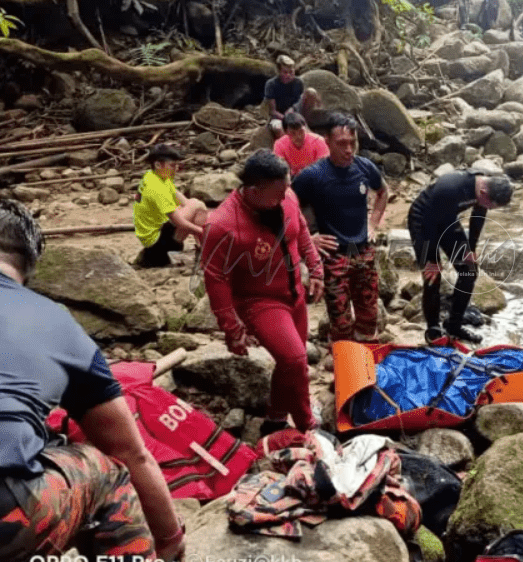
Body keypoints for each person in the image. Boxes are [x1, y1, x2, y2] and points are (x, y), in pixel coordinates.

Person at [0, 199, 185, 562]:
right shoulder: (52, 320)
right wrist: (169, 536)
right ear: (29, 268)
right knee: (109, 473)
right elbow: (130, 453)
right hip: (6, 510)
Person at [201, 150, 324, 435]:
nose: (285, 198)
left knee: (289, 363)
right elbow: (215, 278)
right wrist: (232, 328)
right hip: (259, 300)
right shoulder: (222, 225)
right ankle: (308, 426)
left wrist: (315, 267)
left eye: (287, 189)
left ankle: (276, 419)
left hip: (294, 293)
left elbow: (301, 229)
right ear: (253, 191)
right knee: (295, 359)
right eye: (278, 194)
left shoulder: (285, 194)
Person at [292, 112, 388, 342]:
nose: (348, 150)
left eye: (352, 143)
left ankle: (365, 369)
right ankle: (345, 370)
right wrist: (309, 238)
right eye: (341, 144)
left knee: (369, 316)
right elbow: (287, 207)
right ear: (327, 141)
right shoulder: (312, 175)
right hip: (333, 255)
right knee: (341, 321)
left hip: (363, 251)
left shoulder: (365, 167)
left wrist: (372, 224)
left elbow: (383, 192)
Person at [407, 171, 513, 344]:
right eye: (492, 206)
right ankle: (433, 329)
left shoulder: (483, 190)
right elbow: (429, 223)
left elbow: (478, 216)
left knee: (469, 270)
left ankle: (454, 325)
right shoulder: (450, 187)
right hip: (423, 220)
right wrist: (432, 259)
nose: (490, 209)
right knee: (433, 275)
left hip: (447, 220)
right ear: (484, 193)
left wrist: (471, 248)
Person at [134, 144, 208, 268]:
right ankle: (205, 251)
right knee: (197, 206)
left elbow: (186, 202)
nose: (176, 169)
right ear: (158, 165)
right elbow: (180, 223)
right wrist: (205, 232)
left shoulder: (154, 175)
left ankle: (202, 250)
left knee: (195, 205)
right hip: (157, 247)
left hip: (157, 235)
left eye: (177, 165)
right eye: (172, 165)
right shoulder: (156, 187)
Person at [273, 111, 330, 177]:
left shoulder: (318, 141)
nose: (298, 136)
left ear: (305, 128)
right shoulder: (279, 145)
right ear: (286, 132)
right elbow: (280, 170)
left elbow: (324, 168)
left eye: (301, 131)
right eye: (293, 133)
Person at [262, 55, 304, 139]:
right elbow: (272, 111)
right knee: (279, 128)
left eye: (291, 72)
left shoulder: (298, 82)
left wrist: (293, 109)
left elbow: (300, 101)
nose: (288, 75)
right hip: (279, 117)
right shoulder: (271, 84)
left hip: (296, 115)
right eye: (285, 72)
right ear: (279, 72)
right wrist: (286, 118)